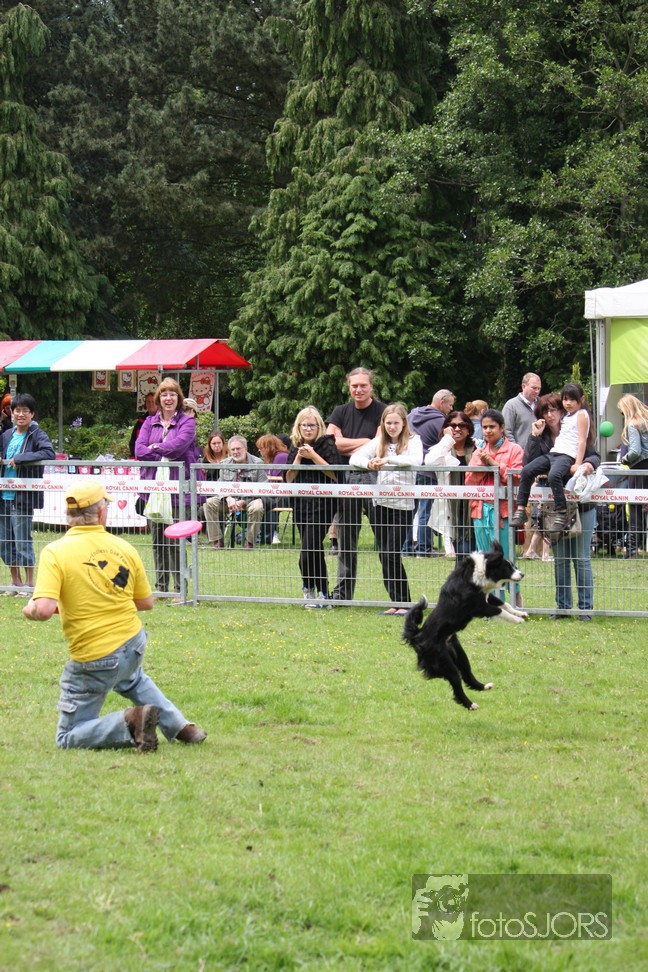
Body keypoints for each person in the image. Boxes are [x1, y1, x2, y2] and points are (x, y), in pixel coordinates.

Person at [22, 479, 206, 750]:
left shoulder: (55, 552)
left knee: (67, 737)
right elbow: (145, 602)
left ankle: (131, 723)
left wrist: (30, 608)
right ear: (100, 513)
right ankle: (182, 727)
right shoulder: (124, 548)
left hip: (95, 655)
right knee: (132, 678)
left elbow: (44, 609)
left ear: (68, 514)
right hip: (133, 644)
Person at [520, 398, 602, 619]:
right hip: (554, 509)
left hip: (582, 505)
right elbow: (528, 464)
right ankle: (563, 608)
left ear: (562, 410)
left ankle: (585, 609)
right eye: (544, 411)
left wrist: (588, 464)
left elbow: (594, 455)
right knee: (561, 559)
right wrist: (534, 437)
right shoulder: (544, 439)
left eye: (553, 409)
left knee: (582, 559)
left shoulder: (576, 429)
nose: (549, 415)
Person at [350, 403, 423, 615]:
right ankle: (396, 602)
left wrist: (388, 459)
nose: (392, 427)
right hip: (380, 504)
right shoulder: (378, 441)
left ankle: (405, 603)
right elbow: (355, 457)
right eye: (388, 423)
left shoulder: (414, 441)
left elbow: (416, 460)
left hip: (404, 505)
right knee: (384, 554)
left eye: (396, 423)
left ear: (404, 423)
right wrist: (369, 464)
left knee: (391, 552)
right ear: (383, 423)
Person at [135, 378, 199, 596]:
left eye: (172, 394)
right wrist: (161, 450)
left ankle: (180, 589)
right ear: (159, 399)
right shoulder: (148, 422)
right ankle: (161, 588)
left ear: (178, 398)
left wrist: (154, 447)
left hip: (177, 491)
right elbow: (139, 450)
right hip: (153, 490)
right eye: (164, 394)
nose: (168, 398)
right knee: (158, 542)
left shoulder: (187, 422)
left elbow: (178, 448)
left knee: (175, 542)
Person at [326, 367, 386, 600]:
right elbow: (331, 444)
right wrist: (367, 442)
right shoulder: (340, 411)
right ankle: (342, 595)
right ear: (348, 387)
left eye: (363, 385)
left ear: (371, 386)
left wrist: (348, 443)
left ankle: (397, 596)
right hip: (346, 481)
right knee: (346, 543)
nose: (358, 389)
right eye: (354, 386)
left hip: (375, 480)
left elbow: (380, 445)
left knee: (385, 541)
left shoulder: (383, 411)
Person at [511, 382, 592, 532]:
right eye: (565, 399)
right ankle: (521, 509)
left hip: (567, 455)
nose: (568, 403)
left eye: (572, 399)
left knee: (554, 475)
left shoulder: (581, 414)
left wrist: (578, 463)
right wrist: (536, 434)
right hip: (553, 453)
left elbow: (582, 440)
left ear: (581, 399)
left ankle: (561, 512)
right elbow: (528, 461)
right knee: (527, 470)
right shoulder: (567, 416)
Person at [0, 393, 55, 594]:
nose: (21, 414)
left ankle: (29, 584)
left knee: (22, 540)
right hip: (3, 496)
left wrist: (22, 458)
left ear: (32, 414)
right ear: (11, 413)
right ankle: (15, 582)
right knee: (4, 541)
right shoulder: (6, 435)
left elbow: (48, 453)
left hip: (22, 496)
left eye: (25, 411)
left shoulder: (37, 434)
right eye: (17, 410)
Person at [286, 407, 340, 607]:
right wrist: (300, 457)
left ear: (319, 426)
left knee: (308, 551)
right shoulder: (295, 445)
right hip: (300, 504)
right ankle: (319, 593)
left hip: (323, 504)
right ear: (298, 427)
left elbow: (335, 474)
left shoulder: (327, 443)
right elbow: (288, 478)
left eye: (312, 425)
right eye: (304, 425)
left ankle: (313, 589)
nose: (308, 429)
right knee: (314, 550)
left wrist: (313, 456)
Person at [465, 408, 524, 571]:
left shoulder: (514, 449)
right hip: (480, 510)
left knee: (504, 558)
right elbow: (469, 481)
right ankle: (489, 588)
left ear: (502, 427)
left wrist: (494, 464)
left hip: (504, 511)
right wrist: (483, 466)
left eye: (492, 427)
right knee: (484, 559)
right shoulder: (479, 452)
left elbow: (517, 478)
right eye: (485, 427)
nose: (488, 431)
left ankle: (512, 588)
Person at [405, 389, 456, 556]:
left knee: (409, 510)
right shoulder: (440, 421)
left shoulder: (411, 416)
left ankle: (406, 549)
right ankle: (423, 549)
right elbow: (445, 447)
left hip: (410, 469)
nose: (451, 409)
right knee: (425, 512)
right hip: (428, 470)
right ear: (441, 403)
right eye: (450, 405)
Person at [424, 410, 478, 564]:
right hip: (453, 510)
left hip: (476, 507)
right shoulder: (442, 449)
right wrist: (447, 439)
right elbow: (430, 462)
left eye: (462, 425)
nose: (457, 429)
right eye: (453, 426)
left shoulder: (478, 447)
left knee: (475, 556)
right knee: (463, 554)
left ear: (469, 428)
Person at [203, 435, 267, 549]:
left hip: (250, 500)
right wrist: (228, 498)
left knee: (257, 507)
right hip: (229, 501)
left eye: (238, 449)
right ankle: (217, 541)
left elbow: (263, 488)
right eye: (233, 449)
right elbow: (220, 485)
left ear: (245, 449)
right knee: (208, 504)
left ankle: (249, 542)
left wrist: (243, 501)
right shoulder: (224, 463)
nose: (235, 452)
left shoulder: (258, 463)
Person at [617, 393, 648, 557]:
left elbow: (635, 451)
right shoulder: (646, 422)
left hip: (639, 469)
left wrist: (625, 459)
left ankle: (632, 549)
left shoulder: (632, 425)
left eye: (622, 412)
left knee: (635, 509)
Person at [256, 434, 289, 545]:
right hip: (273, 494)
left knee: (265, 501)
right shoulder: (270, 459)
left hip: (284, 495)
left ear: (269, 447)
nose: (259, 450)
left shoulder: (281, 457)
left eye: (261, 448)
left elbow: (272, 480)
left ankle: (271, 533)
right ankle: (260, 533)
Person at [502, 373, 542, 447]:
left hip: (540, 451)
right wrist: (516, 450)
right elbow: (506, 431)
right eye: (534, 388)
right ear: (523, 386)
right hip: (520, 451)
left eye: (538, 388)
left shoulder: (542, 404)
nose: (537, 391)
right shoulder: (511, 405)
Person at [128, 392, 157, 458]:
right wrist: (134, 455)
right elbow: (133, 441)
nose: (151, 404)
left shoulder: (163, 419)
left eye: (153, 401)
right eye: (148, 402)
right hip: (140, 456)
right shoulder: (141, 421)